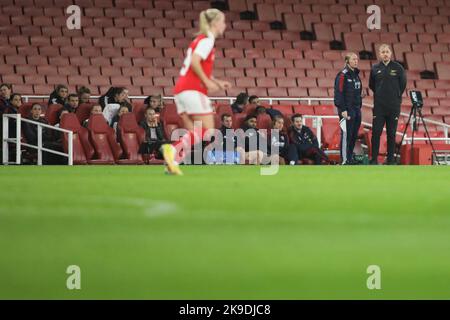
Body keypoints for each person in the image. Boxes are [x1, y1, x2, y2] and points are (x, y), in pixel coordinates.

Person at [160, 8, 231, 175]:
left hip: (181, 90)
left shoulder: (199, 40)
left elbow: (198, 66)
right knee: (207, 130)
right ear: (215, 23)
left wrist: (216, 82)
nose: (225, 25)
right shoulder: (207, 40)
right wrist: (206, 82)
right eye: (223, 22)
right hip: (193, 89)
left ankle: (172, 162)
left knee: (196, 133)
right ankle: (172, 149)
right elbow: (194, 62)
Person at [369, 44, 407, 165]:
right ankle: (374, 159)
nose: (385, 54)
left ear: (391, 53)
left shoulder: (398, 68)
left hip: (393, 106)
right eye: (383, 52)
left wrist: (394, 96)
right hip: (379, 106)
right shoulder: (375, 68)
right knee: (376, 132)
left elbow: (403, 85)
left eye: (387, 52)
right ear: (379, 54)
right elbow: (371, 85)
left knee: (391, 134)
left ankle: (390, 160)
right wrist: (381, 95)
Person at [334, 52, 363, 165]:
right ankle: (344, 160)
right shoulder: (342, 75)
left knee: (353, 135)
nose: (356, 61)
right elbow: (338, 93)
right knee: (346, 135)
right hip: (347, 110)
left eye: (357, 59)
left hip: (356, 109)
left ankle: (350, 158)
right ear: (347, 61)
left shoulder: (356, 75)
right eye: (353, 59)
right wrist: (343, 109)